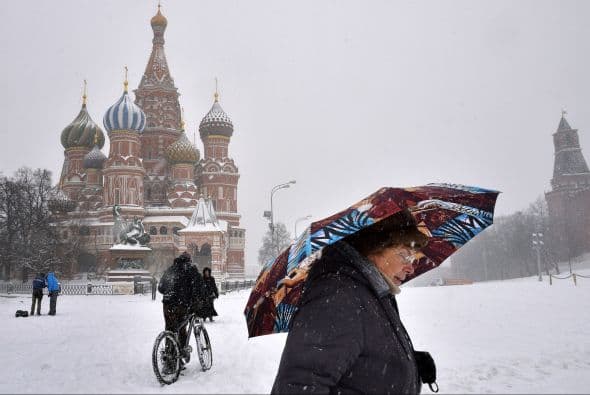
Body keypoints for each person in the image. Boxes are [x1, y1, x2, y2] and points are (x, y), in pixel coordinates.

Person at [271, 209, 431, 394]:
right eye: (404, 255)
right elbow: (300, 385)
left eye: (412, 257)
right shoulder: (336, 298)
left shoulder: (370, 292)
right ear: (373, 248)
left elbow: (364, 354)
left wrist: (409, 364)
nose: (411, 268)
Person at [158, 252, 205, 367]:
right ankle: (181, 354)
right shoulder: (191, 270)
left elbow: (160, 288)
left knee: (170, 329)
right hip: (181, 305)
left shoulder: (171, 269)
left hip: (167, 305)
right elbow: (200, 287)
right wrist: (200, 300)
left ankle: (170, 358)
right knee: (182, 329)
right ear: (189, 260)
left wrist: (170, 292)